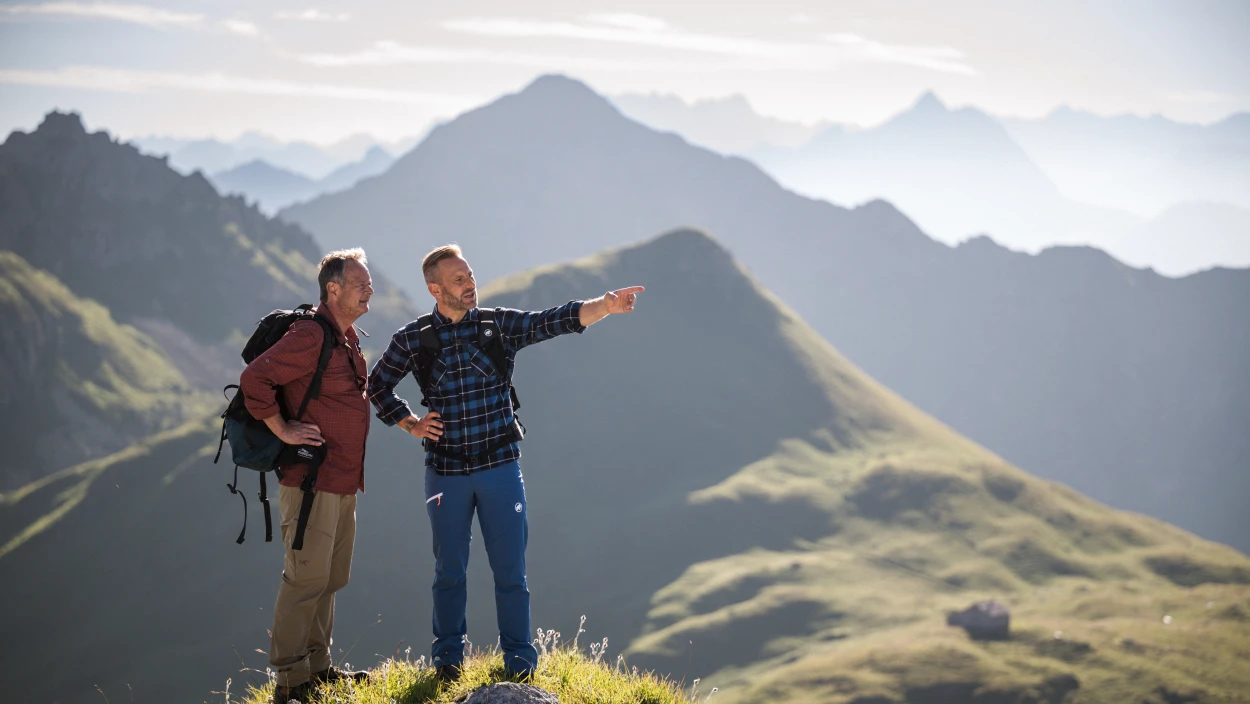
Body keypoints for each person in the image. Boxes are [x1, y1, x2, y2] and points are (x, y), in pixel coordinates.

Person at [367, 244, 643, 680]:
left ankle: (520, 665)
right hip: (446, 473)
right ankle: (447, 665)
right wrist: (410, 423)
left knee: (511, 572)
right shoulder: (413, 338)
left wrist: (605, 306)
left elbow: (554, 320)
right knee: (448, 573)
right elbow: (377, 386)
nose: (470, 284)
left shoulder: (498, 326)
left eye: (470, 275)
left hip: (500, 469)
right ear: (435, 288)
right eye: (458, 280)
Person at [240, 248, 374, 704]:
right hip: (310, 483)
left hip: (340, 480)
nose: (369, 289)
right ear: (332, 289)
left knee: (330, 579)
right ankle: (290, 683)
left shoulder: (346, 337)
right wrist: (282, 427)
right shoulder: (310, 335)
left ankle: (318, 668)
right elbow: (254, 380)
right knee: (303, 581)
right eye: (360, 283)